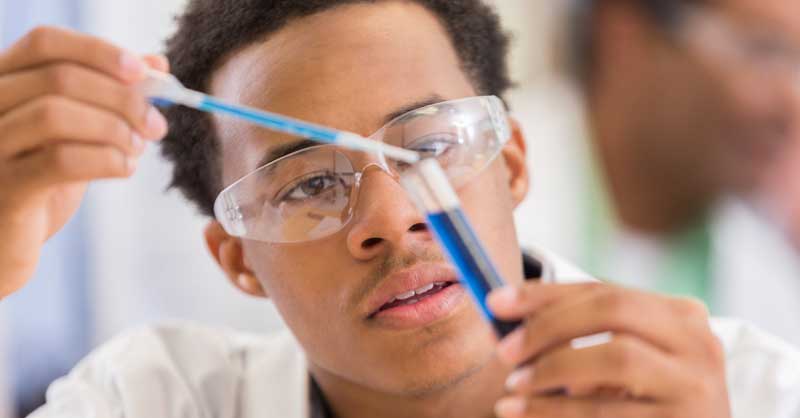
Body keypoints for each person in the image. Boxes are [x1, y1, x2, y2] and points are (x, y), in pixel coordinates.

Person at [0, 1, 798, 417]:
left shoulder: (738, 396)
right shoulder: (154, 402)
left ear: (511, 164)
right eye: (310, 184)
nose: (390, 216)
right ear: (239, 260)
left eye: (427, 146)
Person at [515, 0, 800, 345]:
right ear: (625, 33)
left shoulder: (772, 283)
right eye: (764, 50)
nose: (791, 102)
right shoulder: (479, 194)